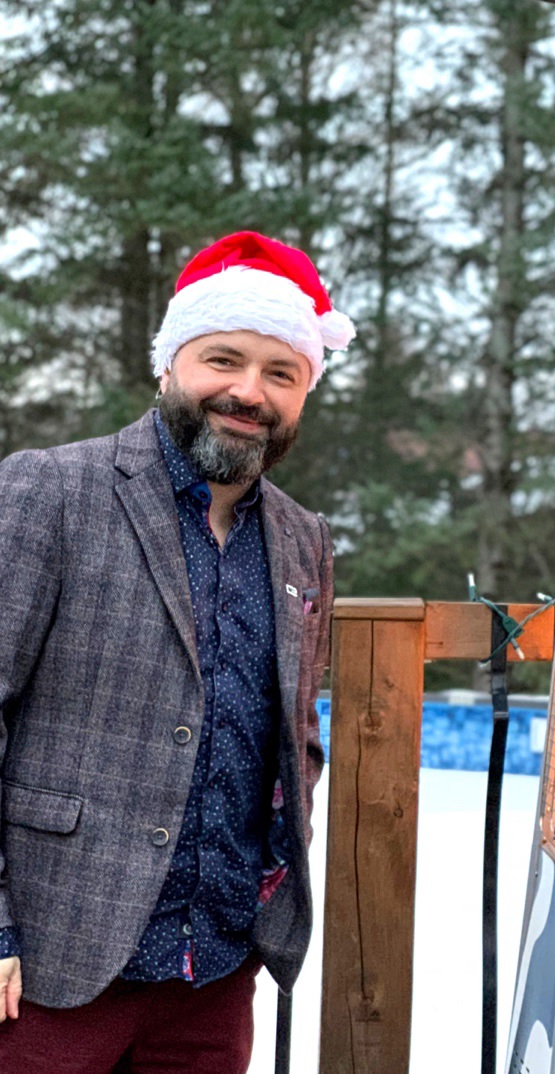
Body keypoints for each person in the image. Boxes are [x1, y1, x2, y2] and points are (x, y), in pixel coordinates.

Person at [0, 231, 353, 1072]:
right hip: (48, 967)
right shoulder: (48, 491)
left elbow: (294, 733)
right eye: (223, 359)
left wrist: (265, 879)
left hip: (215, 973)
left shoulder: (304, 541)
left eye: (281, 372)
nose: (248, 391)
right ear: (168, 365)